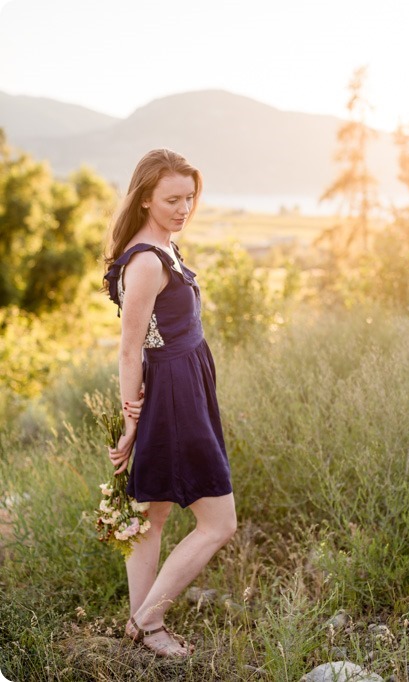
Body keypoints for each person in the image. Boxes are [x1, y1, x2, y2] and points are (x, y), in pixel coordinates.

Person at [103, 148, 236, 658]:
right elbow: (129, 348)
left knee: (150, 513)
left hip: (187, 383)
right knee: (220, 523)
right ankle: (147, 620)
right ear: (144, 200)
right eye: (171, 200)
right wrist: (131, 421)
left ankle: (145, 631)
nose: (183, 208)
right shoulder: (145, 261)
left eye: (190, 197)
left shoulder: (166, 245)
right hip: (173, 394)